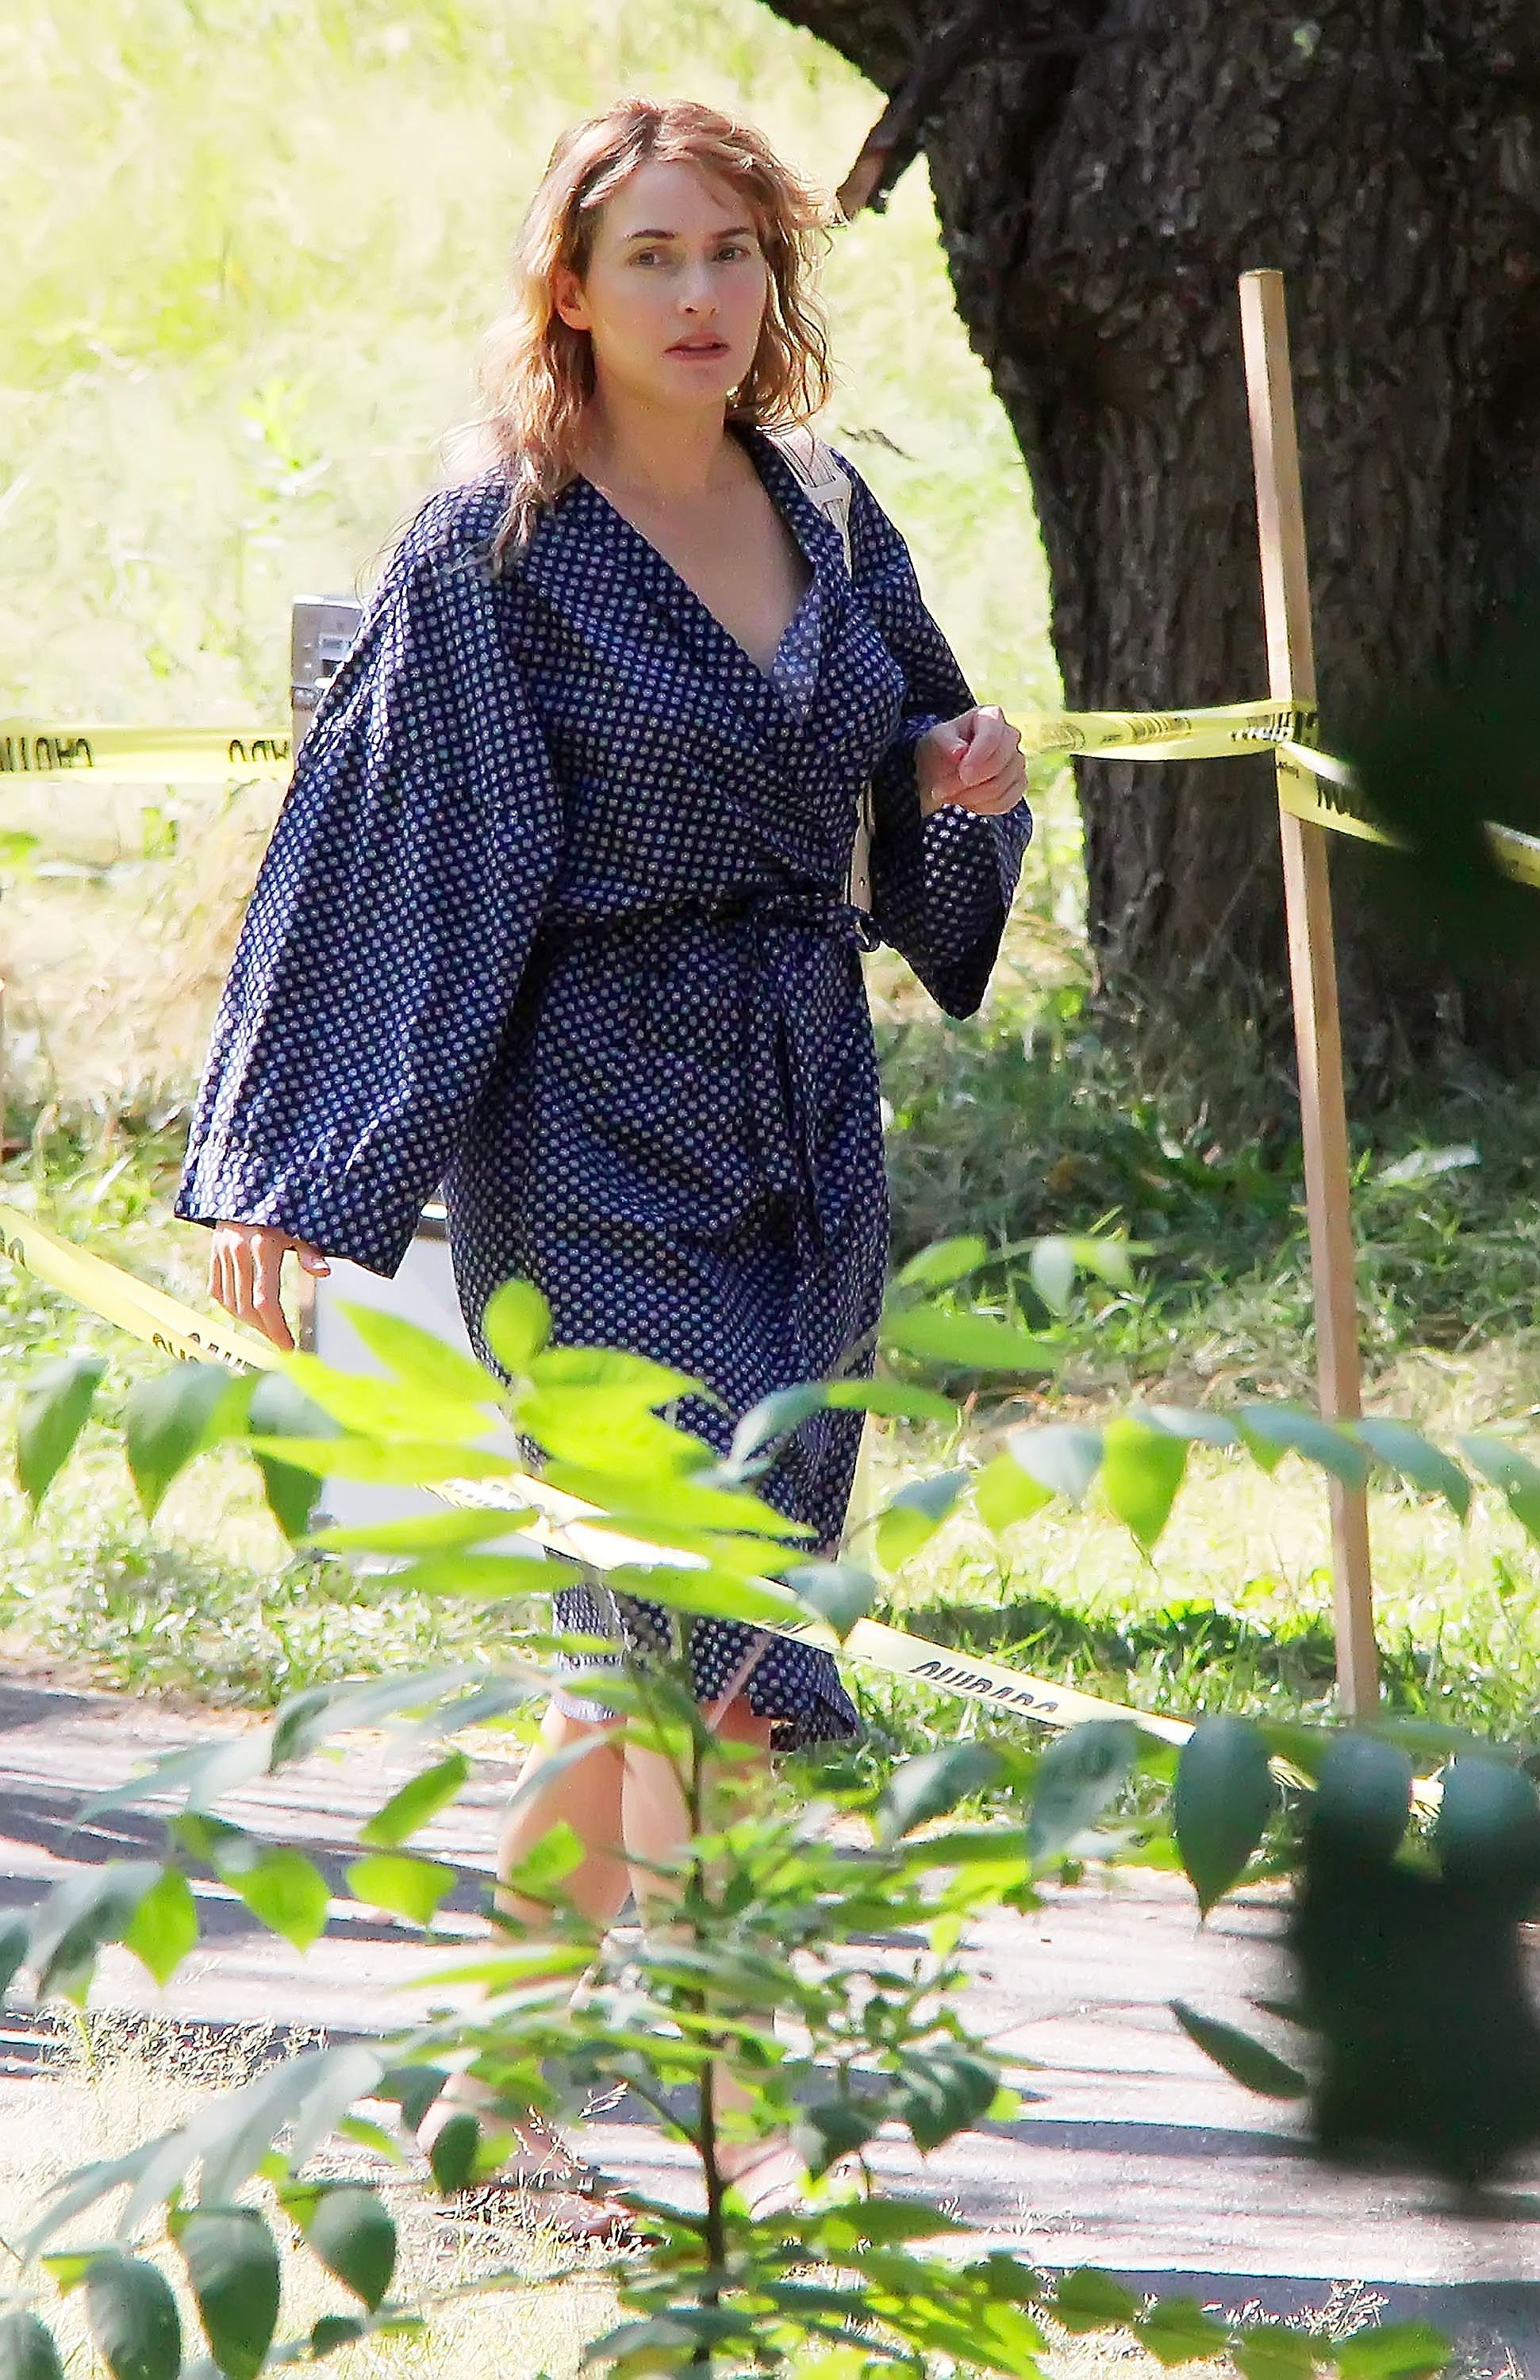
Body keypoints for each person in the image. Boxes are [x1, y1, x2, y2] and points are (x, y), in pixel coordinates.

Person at [177, 95, 1031, 2231]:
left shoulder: (827, 511)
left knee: (734, 1655)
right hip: (586, 1121)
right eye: (652, 256)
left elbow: (923, 754)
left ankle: (626, 2130)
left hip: (801, 1113)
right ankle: (593, 2113)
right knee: (668, 1613)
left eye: (734, 255)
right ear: (568, 282)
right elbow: (399, 859)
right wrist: (296, 1157)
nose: (701, 298)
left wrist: (965, 779)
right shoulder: (499, 550)